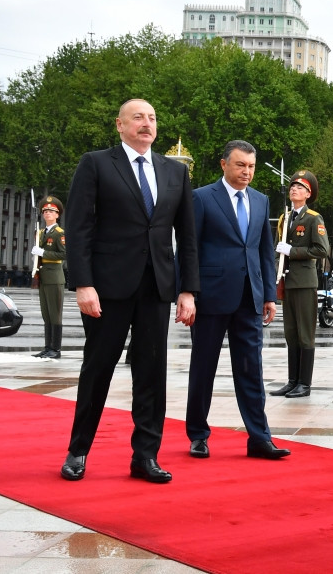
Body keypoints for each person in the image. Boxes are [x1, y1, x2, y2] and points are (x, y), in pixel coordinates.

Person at [60, 98, 199, 484]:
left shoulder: (174, 172)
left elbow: (187, 237)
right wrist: (83, 283)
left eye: (152, 118)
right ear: (119, 125)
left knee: (151, 373)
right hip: (107, 287)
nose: (146, 123)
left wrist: (188, 290)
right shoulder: (97, 164)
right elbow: (80, 227)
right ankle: (78, 451)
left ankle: (145, 456)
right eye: (137, 117)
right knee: (98, 368)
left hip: (157, 287)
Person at [184, 140, 289, 461]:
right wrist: (186, 292)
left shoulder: (260, 201)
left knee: (251, 369)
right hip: (210, 298)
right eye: (241, 165)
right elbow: (190, 249)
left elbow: (261, 250)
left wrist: (269, 294)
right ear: (224, 164)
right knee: (203, 368)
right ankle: (198, 435)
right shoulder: (202, 198)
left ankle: (259, 437)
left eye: (252, 167)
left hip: (249, 298)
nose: (247, 172)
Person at [268, 170, 330, 399]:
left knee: (305, 334)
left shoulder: (314, 218)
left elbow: (322, 250)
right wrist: (275, 271)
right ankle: (292, 381)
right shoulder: (285, 218)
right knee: (291, 333)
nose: (294, 189)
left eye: (299, 187)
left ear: (308, 193)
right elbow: (277, 249)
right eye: (293, 186)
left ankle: (305, 383)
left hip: (304, 283)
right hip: (288, 281)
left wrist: (293, 251)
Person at [31, 196, 66, 360]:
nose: (47, 213)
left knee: (55, 314)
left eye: (51, 211)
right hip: (43, 276)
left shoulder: (59, 234)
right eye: (45, 211)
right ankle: (48, 347)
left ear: (57, 214)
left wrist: (43, 253)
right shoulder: (40, 233)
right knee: (46, 314)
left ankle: (56, 349)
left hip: (55, 277)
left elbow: (64, 254)